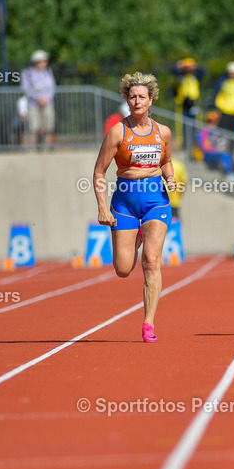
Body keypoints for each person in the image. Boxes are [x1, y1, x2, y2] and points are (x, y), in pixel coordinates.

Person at [92, 72, 177, 342]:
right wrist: (103, 208)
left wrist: (170, 177)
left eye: (142, 97)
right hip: (124, 203)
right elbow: (99, 172)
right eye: (132, 97)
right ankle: (136, 235)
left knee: (151, 261)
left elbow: (166, 161)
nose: (137, 101)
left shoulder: (163, 132)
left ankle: (148, 323)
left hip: (156, 201)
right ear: (126, 100)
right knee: (123, 269)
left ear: (151, 100)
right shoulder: (118, 132)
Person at [21, 49, 56, 150]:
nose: (45, 63)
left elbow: (52, 87)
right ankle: (33, 149)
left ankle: (46, 149)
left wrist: (46, 99)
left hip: (48, 103)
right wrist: (38, 99)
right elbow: (25, 89)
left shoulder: (48, 72)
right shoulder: (27, 73)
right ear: (36, 62)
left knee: (48, 127)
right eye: (43, 61)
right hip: (33, 104)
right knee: (33, 127)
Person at [172, 57, 205, 149]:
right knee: (182, 124)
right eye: (186, 68)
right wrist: (179, 65)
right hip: (183, 103)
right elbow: (173, 70)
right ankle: (184, 144)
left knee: (195, 124)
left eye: (189, 68)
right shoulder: (180, 76)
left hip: (194, 103)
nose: (188, 70)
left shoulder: (195, 76)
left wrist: (195, 66)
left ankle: (194, 144)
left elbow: (203, 71)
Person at [213, 61, 234, 133]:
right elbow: (216, 94)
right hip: (224, 111)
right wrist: (216, 108)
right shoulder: (222, 81)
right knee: (224, 131)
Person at [168, 156, 189, 222]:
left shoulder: (158, 166)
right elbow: (183, 184)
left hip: (159, 204)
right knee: (174, 225)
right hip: (174, 202)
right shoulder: (179, 166)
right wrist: (179, 197)